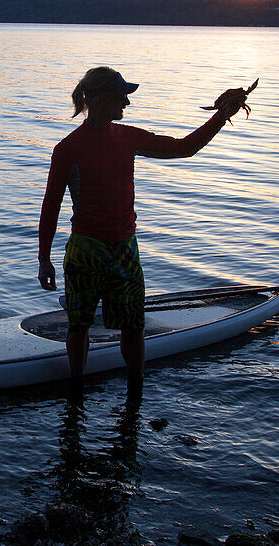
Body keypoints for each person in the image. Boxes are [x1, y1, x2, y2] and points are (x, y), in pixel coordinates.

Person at [37, 67, 251, 390]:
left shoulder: (128, 138)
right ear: (98, 100)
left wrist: (221, 117)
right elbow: (50, 207)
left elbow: (184, 147)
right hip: (86, 253)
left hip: (125, 249)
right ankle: (75, 396)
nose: (126, 102)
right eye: (120, 96)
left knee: (133, 327)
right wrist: (44, 259)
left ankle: (135, 395)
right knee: (78, 327)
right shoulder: (67, 149)